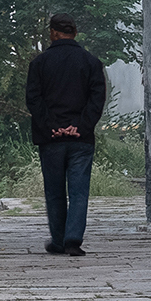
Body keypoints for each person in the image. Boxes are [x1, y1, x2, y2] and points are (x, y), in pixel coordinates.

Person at [24, 13, 108, 256]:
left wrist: (52, 126)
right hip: (80, 139)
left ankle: (59, 241)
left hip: (51, 139)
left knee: (55, 191)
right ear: (75, 33)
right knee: (79, 191)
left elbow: (34, 100)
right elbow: (96, 99)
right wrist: (79, 127)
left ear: (53, 33)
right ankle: (73, 240)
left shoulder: (39, 64)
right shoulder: (91, 62)